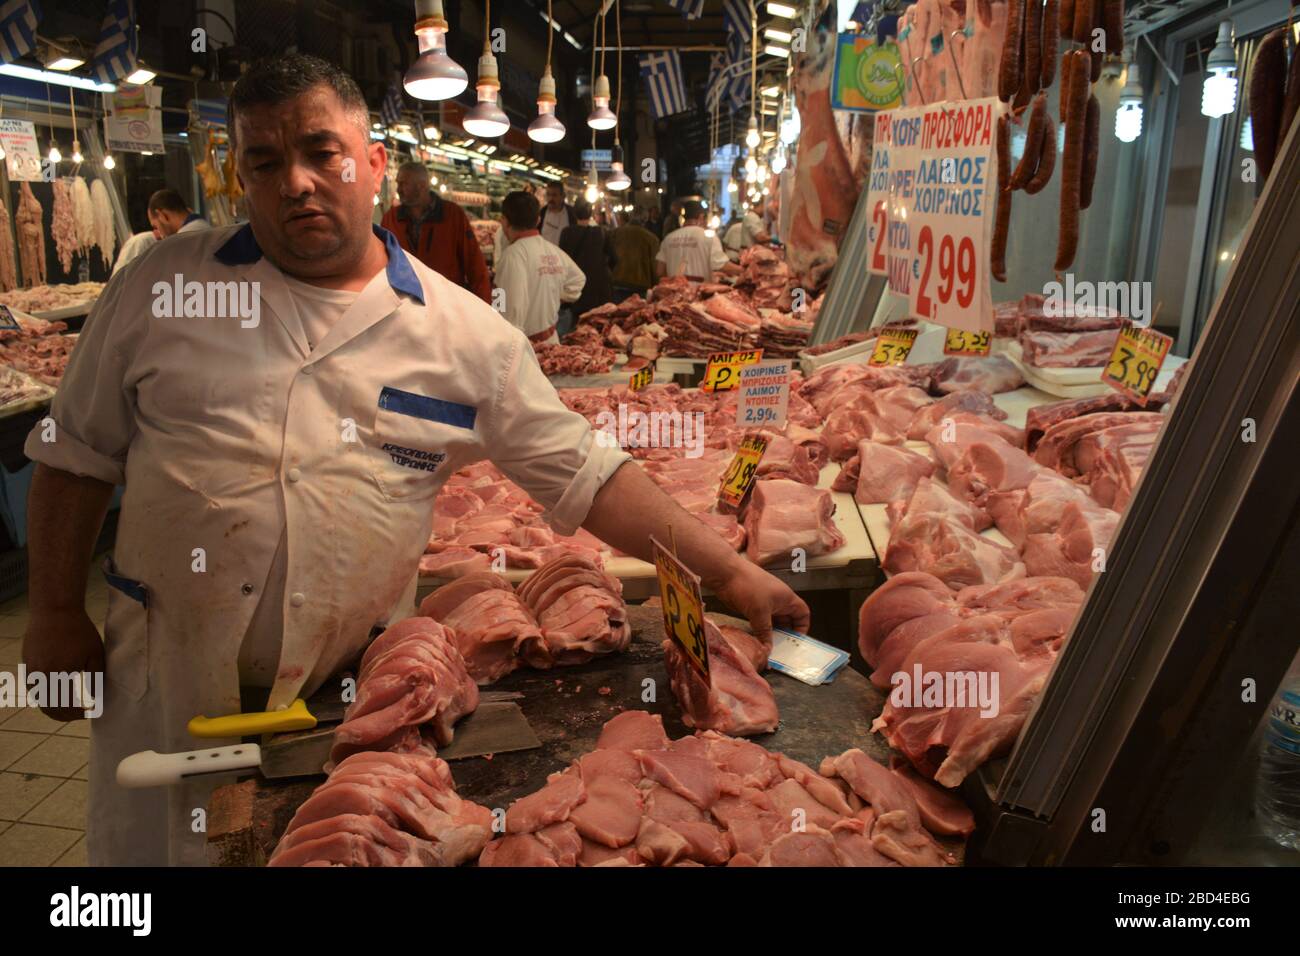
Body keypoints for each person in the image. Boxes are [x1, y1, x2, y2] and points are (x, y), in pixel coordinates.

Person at [22, 53, 810, 867]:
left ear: (373, 165)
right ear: (240, 178)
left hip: (352, 696)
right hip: (166, 674)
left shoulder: (461, 334)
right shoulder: (160, 286)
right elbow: (74, 454)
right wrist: (50, 611)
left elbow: (589, 475)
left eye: (320, 152)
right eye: (265, 160)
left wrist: (732, 572)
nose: (295, 181)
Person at [380, 161, 491, 302]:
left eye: (403, 184)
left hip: (447, 304)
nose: (398, 189)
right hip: (405, 306)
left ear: (421, 186)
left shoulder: (453, 215)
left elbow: (475, 265)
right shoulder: (391, 218)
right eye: (398, 183)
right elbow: (382, 264)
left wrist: (483, 309)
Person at [495, 190, 586, 345]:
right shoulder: (553, 251)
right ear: (538, 220)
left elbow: (507, 310)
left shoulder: (512, 255)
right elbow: (578, 280)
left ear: (504, 221)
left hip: (527, 349)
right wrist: (551, 292)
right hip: (551, 343)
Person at [558, 200, 617, 321]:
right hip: (599, 288)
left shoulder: (566, 233)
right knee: (599, 324)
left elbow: (561, 261)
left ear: (574, 214)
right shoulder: (601, 232)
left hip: (577, 288)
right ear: (591, 214)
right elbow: (614, 258)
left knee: (578, 327)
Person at [655, 200, 739, 280]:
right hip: (700, 292)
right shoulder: (709, 236)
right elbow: (722, 265)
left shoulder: (668, 238)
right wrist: (743, 270)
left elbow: (660, 271)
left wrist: (674, 281)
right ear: (701, 216)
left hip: (674, 292)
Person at [610, 211, 660, 297]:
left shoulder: (614, 233)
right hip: (640, 285)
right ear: (645, 220)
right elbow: (654, 266)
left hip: (616, 282)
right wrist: (656, 286)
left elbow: (607, 258)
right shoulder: (652, 238)